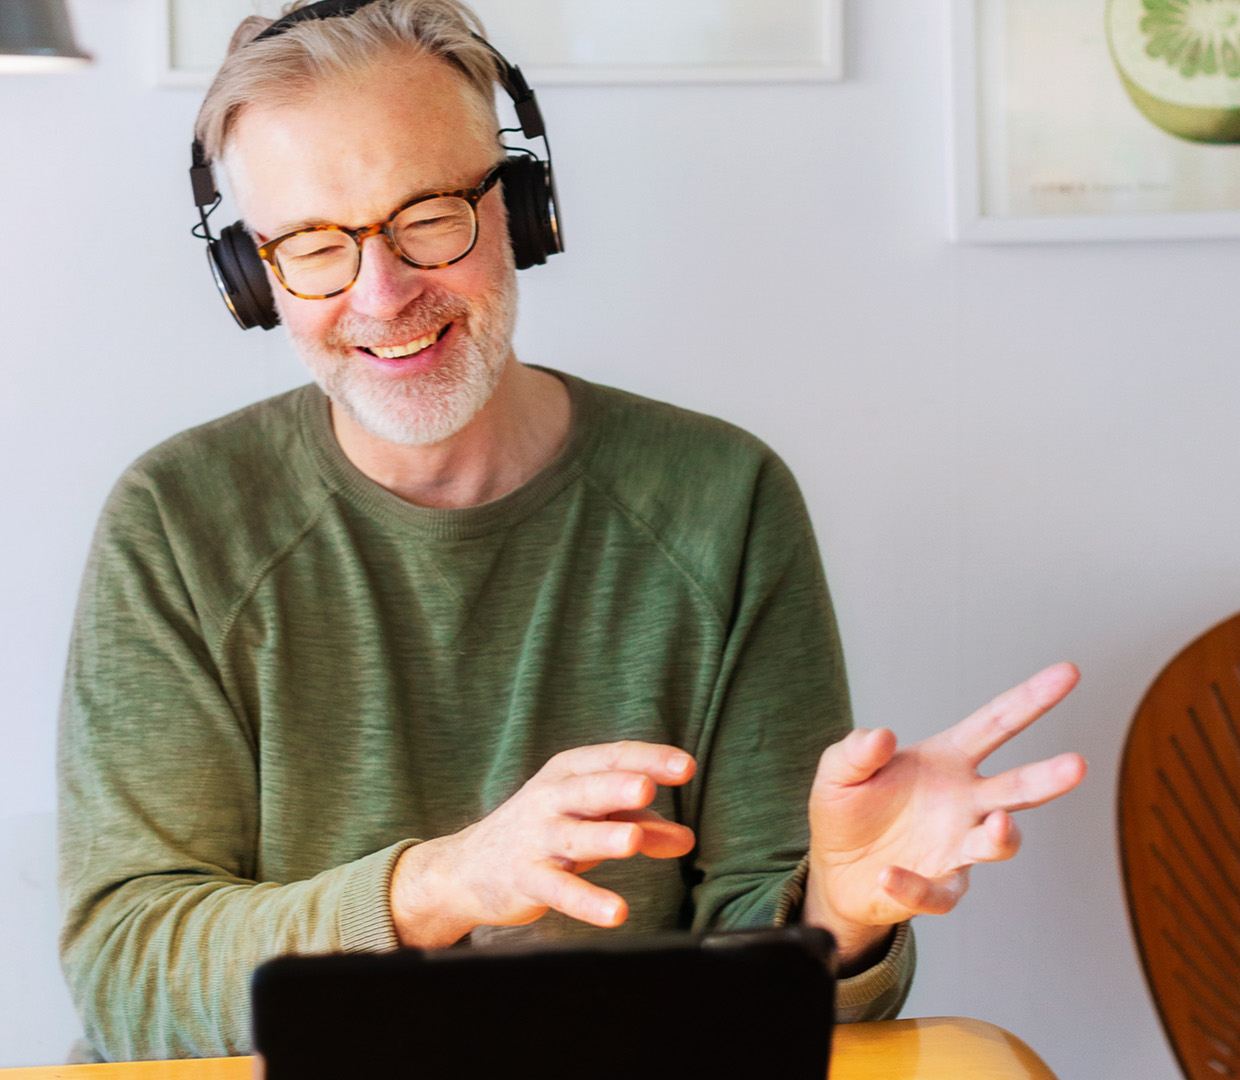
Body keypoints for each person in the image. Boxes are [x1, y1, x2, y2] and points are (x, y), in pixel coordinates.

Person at [56, 0, 1087, 1062]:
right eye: (315, 245)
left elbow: (786, 1009)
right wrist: (445, 882)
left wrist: (842, 912)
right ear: (254, 275)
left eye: (427, 218)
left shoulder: (720, 501)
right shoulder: (176, 525)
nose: (382, 293)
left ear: (523, 206)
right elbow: (131, 979)